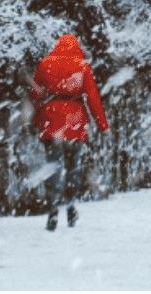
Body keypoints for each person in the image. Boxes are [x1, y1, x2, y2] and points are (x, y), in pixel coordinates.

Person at [28, 34, 110, 231]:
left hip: (52, 119)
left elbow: (35, 95)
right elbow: (93, 97)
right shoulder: (82, 66)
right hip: (74, 120)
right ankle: (71, 205)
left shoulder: (45, 64)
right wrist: (103, 125)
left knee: (53, 166)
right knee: (73, 166)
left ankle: (53, 209)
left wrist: (36, 120)